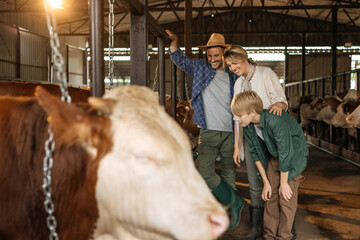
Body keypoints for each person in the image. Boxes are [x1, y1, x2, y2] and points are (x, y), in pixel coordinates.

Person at [166, 29, 246, 230]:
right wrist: (175, 42)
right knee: (204, 170)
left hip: (231, 131)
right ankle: (236, 202)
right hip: (208, 130)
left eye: (216, 56)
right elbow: (179, 59)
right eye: (210, 56)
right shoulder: (201, 67)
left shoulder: (233, 74)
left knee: (228, 173)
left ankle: (227, 211)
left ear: (224, 54)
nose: (212, 59)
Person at [224, 45, 289, 240]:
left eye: (234, 63)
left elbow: (282, 100)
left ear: (244, 59)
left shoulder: (265, 73)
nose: (232, 68)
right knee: (254, 181)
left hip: (271, 135)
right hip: (251, 137)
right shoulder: (238, 84)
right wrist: (237, 146)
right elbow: (237, 117)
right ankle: (256, 228)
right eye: (229, 65)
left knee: (276, 180)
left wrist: (278, 104)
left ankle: (280, 227)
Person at [231, 91, 308, 240]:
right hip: (275, 155)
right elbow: (254, 153)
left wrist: (284, 183)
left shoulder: (275, 121)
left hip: (293, 157)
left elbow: (286, 153)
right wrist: (266, 182)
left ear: (253, 112)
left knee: (285, 197)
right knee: (270, 196)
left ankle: (284, 237)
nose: (237, 119)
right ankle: (269, 236)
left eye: (239, 115)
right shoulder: (247, 125)